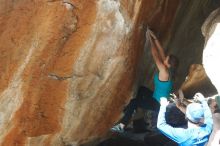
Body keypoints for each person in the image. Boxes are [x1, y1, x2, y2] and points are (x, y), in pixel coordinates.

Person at [111, 29, 179, 133]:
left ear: (168, 64)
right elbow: (161, 53)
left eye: (166, 59)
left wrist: (150, 40)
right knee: (142, 89)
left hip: (157, 104)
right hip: (156, 97)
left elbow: (155, 55)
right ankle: (132, 110)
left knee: (134, 102)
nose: (164, 58)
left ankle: (122, 125)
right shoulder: (169, 70)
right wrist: (154, 38)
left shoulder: (164, 72)